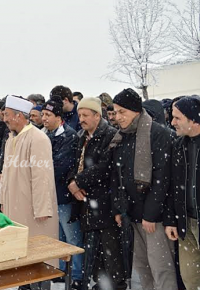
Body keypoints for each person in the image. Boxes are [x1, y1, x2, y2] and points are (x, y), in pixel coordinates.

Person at [110, 88, 176, 290]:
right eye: (115, 111)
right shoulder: (122, 136)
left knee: (161, 268)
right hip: (133, 213)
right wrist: (119, 208)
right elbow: (118, 175)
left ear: (136, 111)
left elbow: (162, 178)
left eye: (122, 112)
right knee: (143, 267)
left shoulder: (157, 133)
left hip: (154, 217)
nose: (117, 117)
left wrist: (151, 214)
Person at [0, 95, 59, 290]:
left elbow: (42, 178)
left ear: (18, 116)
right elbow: (6, 174)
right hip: (15, 209)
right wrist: (2, 200)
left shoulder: (38, 138)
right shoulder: (11, 138)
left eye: (7, 115)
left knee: (38, 261)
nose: (4, 119)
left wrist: (42, 209)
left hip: (34, 212)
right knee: (22, 263)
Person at [67, 97, 126, 290]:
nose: (81, 119)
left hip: (105, 201)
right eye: (79, 115)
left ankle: (114, 284)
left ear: (97, 116)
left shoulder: (110, 135)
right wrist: (72, 183)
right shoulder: (82, 136)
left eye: (85, 115)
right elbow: (75, 164)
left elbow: (104, 167)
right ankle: (99, 283)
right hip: (86, 202)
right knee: (93, 251)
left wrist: (78, 182)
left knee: (110, 251)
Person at [41, 99, 83, 289]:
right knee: (57, 237)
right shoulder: (42, 135)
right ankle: (61, 270)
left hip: (64, 195)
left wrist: (40, 169)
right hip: (49, 195)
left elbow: (60, 166)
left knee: (72, 237)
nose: (44, 118)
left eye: (48, 115)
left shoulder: (69, 136)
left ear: (59, 118)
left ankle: (76, 274)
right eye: (43, 115)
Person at [164, 95, 200, 290]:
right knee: (189, 279)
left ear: (193, 119)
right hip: (186, 223)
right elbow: (172, 186)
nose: (172, 122)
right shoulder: (178, 146)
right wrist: (171, 220)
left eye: (177, 118)